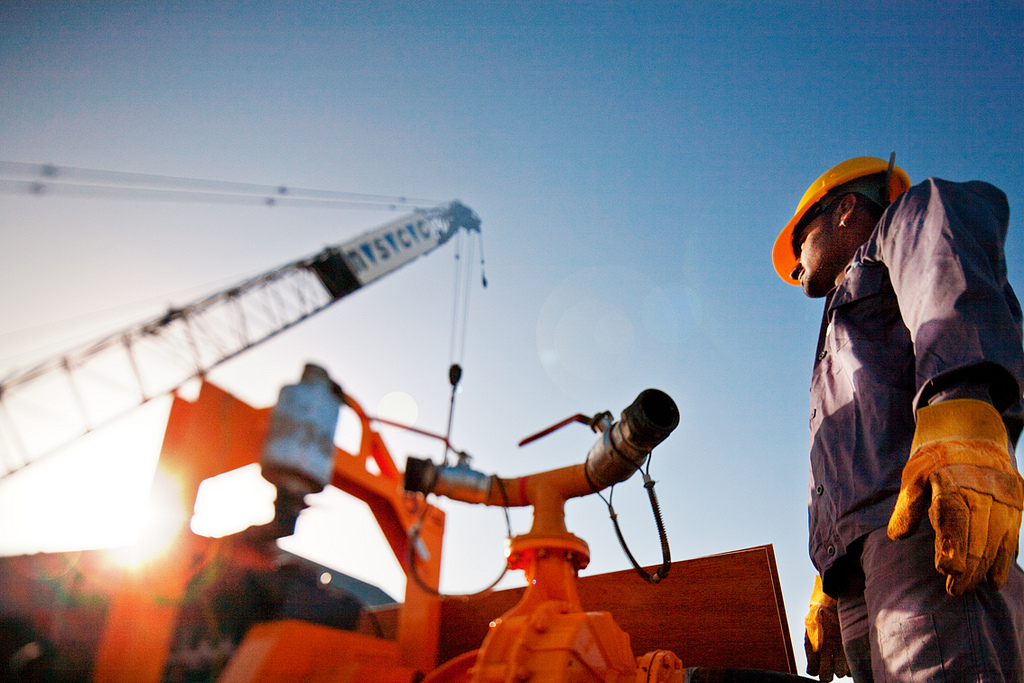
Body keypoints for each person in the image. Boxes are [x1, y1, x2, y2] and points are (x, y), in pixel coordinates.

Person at [772, 156, 1024, 682]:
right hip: (859, 566)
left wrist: (963, 418)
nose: (795, 267)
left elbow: (948, 283)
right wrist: (829, 575)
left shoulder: (907, 220)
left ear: (844, 210)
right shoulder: (841, 316)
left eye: (800, 241)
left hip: (919, 525)